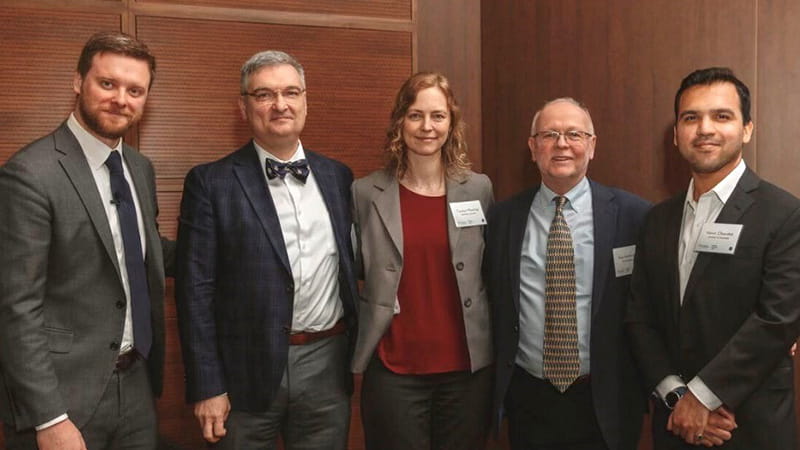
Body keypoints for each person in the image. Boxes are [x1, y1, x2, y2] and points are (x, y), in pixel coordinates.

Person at [175, 50, 358, 450]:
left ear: (306, 101)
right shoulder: (211, 183)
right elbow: (195, 292)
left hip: (327, 365)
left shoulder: (339, 177)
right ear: (243, 107)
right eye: (264, 94)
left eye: (291, 92)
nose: (280, 104)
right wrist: (207, 385)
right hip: (243, 373)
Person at [0, 31, 173, 449]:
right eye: (107, 83)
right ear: (78, 81)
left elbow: (141, 251)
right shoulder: (30, 173)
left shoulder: (140, 168)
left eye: (135, 90)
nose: (121, 99)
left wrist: (223, 247)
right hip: (63, 397)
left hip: (137, 385)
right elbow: (15, 306)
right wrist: (49, 417)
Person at [626, 67, 800, 449]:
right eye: (691, 118)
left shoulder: (785, 214)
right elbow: (640, 317)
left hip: (748, 427)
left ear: (747, 129)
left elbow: (777, 320)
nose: (705, 129)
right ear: (676, 135)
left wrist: (702, 397)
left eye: (721, 116)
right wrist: (676, 397)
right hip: (674, 425)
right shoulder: (657, 219)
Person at [486, 98, 650, 450]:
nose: (562, 144)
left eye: (574, 134)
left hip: (607, 398)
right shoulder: (502, 219)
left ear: (592, 146)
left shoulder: (634, 216)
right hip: (528, 398)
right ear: (533, 148)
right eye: (549, 135)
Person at [351, 71, 494, 450]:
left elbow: (490, 269)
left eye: (438, 116)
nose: (427, 127)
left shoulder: (479, 189)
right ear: (400, 121)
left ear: (451, 122)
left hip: (466, 370)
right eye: (415, 115)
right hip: (394, 369)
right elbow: (352, 272)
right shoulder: (365, 193)